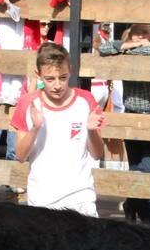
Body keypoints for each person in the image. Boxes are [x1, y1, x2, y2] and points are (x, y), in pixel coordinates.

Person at [12, 42, 105, 215]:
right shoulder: (28, 103)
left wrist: (92, 131)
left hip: (81, 200)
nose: (57, 85)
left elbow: (97, 153)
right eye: (50, 79)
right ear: (38, 75)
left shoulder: (86, 100)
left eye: (62, 78)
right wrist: (35, 128)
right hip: (42, 200)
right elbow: (20, 156)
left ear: (70, 70)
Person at [99, 23, 150, 226]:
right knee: (135, 167)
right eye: (137, 33)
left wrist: (135, 45)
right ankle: (134, 207)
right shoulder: (126, 53)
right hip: (131, 115)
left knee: (148, 167)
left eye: (145, 33)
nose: (141, 37)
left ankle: (145, 214)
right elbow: (104, 48)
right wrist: (127, 45)